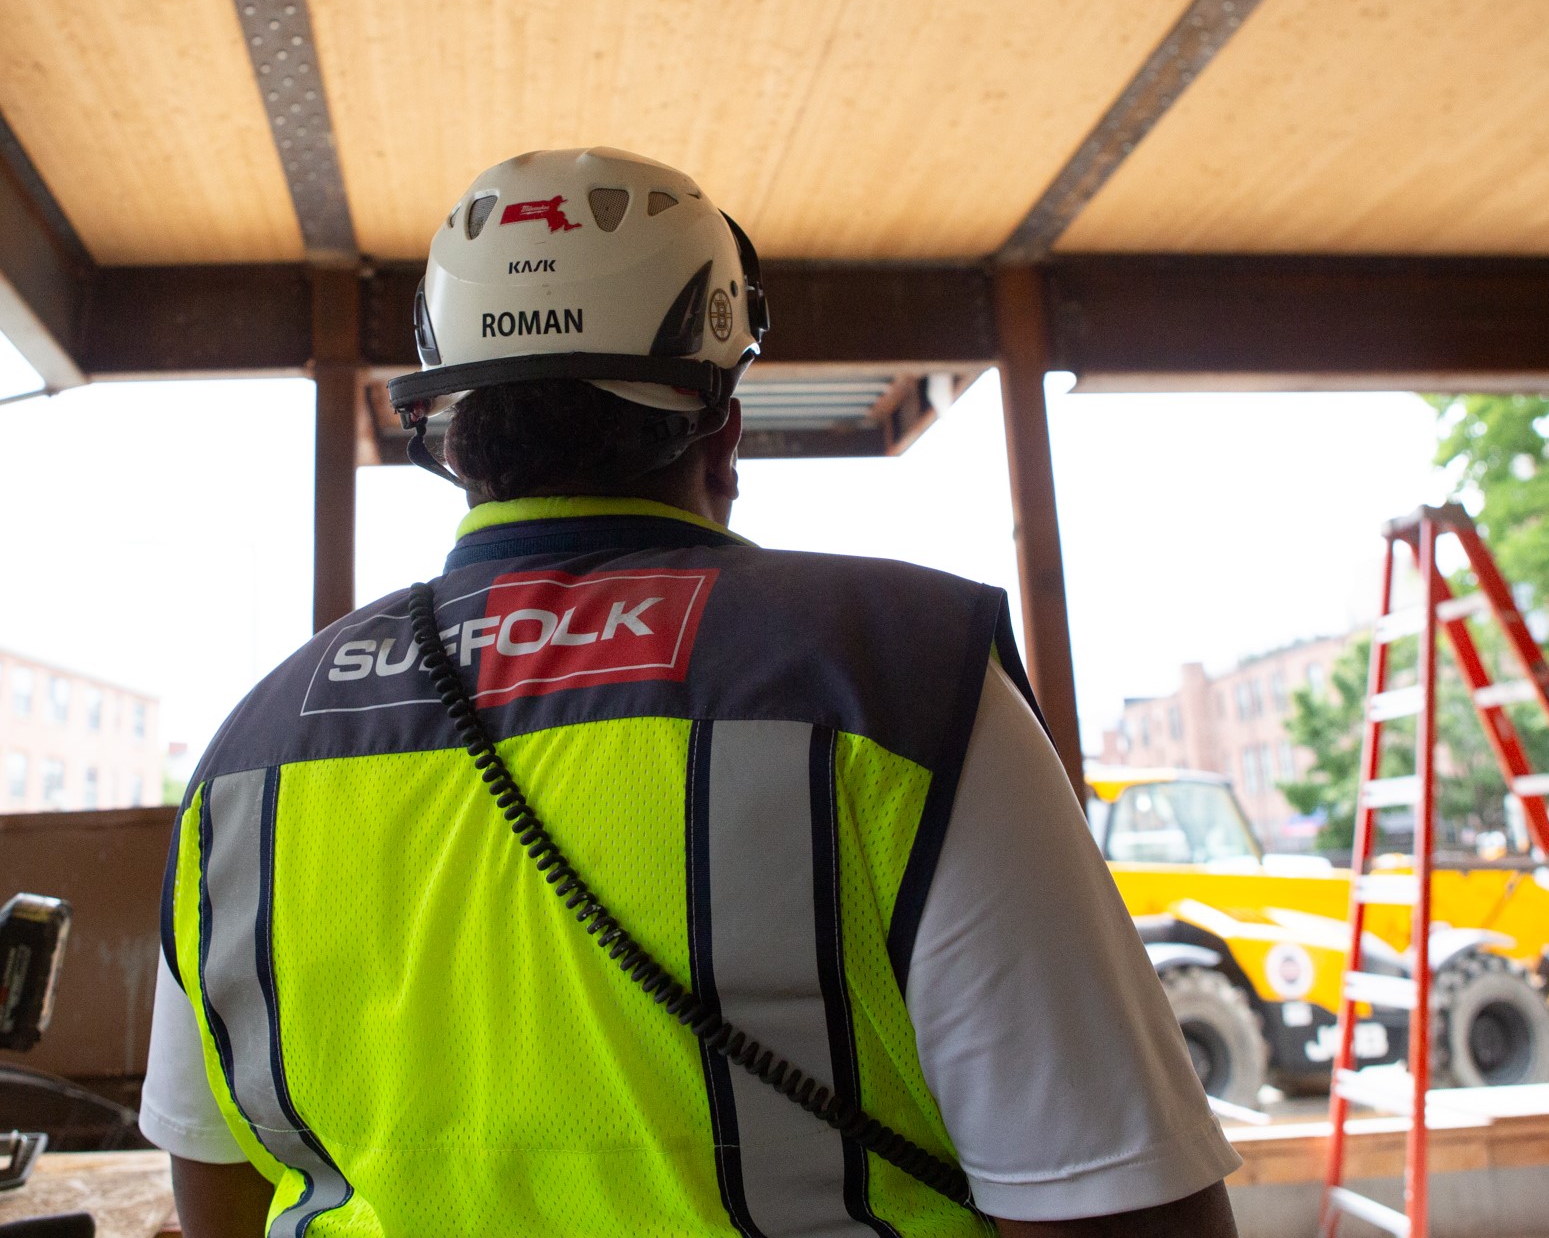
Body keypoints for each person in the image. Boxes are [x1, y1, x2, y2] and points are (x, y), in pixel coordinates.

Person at [140, 148, 1241, 1237]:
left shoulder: (252, 749)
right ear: (722, 429)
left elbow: (219, 1185)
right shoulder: (900, 681)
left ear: (455, 438)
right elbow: (1115, 1200)